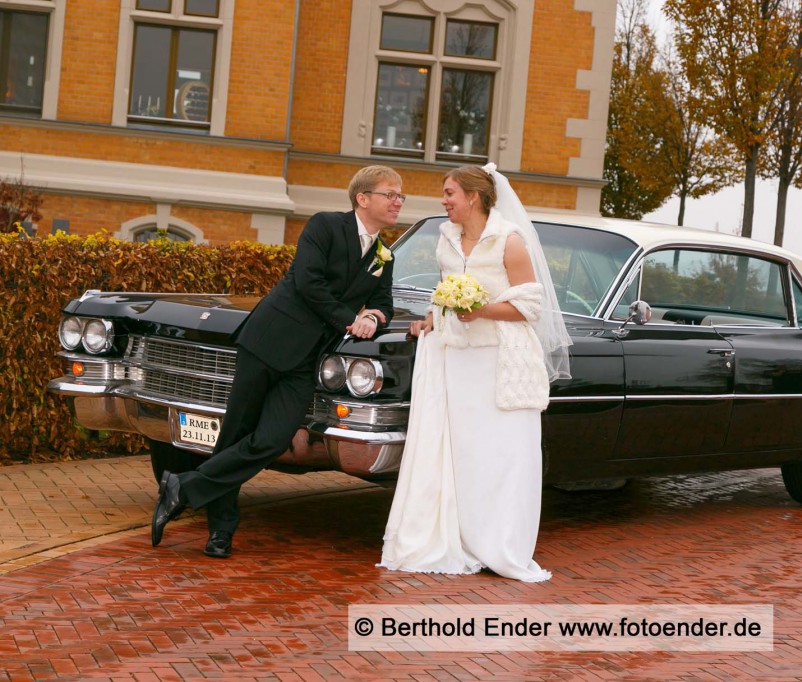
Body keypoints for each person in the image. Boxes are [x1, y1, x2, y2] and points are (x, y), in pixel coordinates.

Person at [151, 165, 404, 558]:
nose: (398, 201)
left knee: (271, 441)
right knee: (235, 434)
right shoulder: (324, 226)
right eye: (391, 193)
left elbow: (384, 303)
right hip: (268, 341)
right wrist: (350, 318)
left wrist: (373, 317)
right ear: (363, 198)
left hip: (306, 360)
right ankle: (221, 532)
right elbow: (308, 282)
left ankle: (183, 487)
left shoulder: (384, 254)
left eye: (399, 195)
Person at [378, 164, 571, 582]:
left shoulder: (510, 242)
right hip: (457, 360)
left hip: (498, 361)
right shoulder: (445, 238)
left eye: (450, 193)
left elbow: (529, 307)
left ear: (474, 197)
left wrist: (479, 310)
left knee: (499, 455)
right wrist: (432, 316)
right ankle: (460, 539)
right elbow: (444, 290)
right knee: (461, 454)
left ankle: (499, 544)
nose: (444, 200)